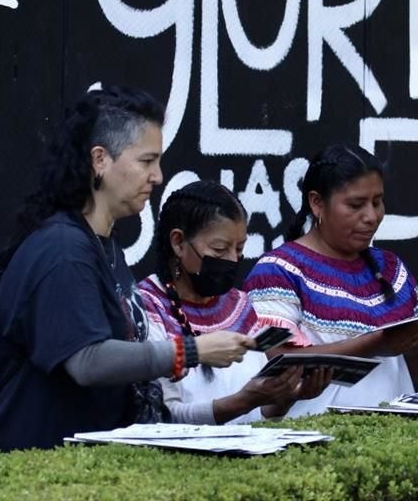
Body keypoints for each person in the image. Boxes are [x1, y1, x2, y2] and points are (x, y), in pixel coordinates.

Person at [0, 87, 254, 452]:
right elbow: (87, 361)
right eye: (147, 161)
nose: (158, 176)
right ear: (100, 160)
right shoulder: (63, 250)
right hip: (34, 465)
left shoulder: (102, 245)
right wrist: (190, 351)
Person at [243, 144, 418, 416]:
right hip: (311, 444)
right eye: (356, 204)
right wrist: (377, 343)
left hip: (396, 441)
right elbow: (279, 360)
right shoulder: (277, 272)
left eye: (377, 202)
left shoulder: (392, 269)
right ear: (316, 203)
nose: (371, 216)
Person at [137, 180, 330, 424]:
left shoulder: (241, 305)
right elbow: (164, 416)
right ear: (178, 242)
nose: (231, 259)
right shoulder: (147, 308)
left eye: (239, 249)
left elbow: (257, 415)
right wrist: (242, 401)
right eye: (219, 250)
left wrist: (286, 397)